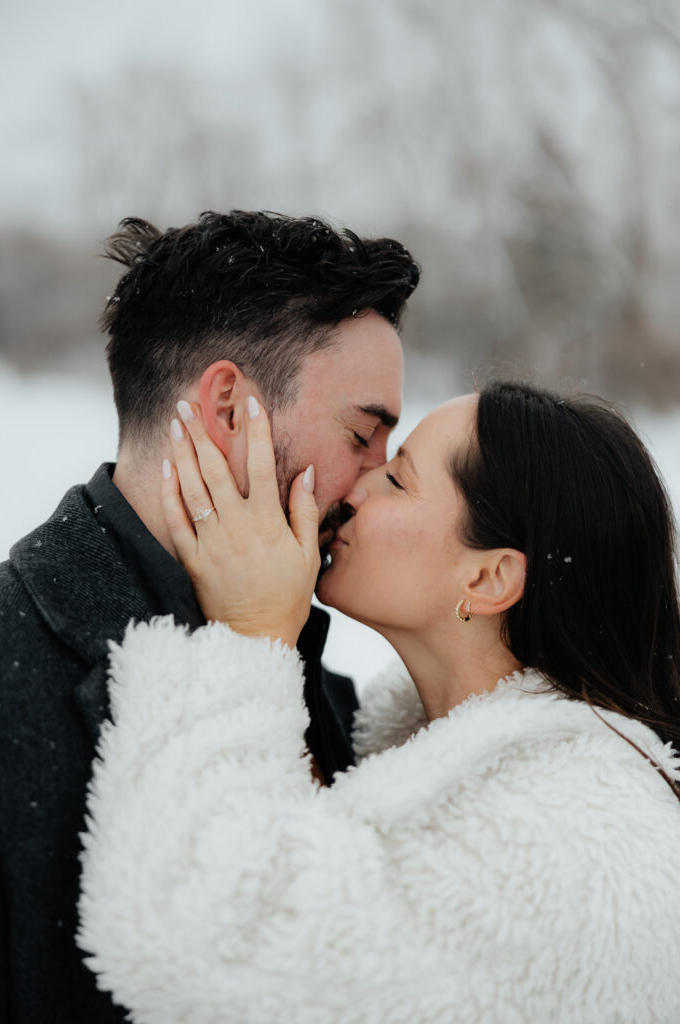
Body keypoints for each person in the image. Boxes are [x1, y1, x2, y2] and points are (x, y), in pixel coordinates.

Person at [77, 382, 680, 1024]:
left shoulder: (575, 837)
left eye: (397, 480)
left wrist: (249, 638)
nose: (356, 488)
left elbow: (208, 950)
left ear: (487, 577)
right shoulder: (468, 773)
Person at [0, 210, 420, 1023]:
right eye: (365, 435)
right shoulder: (14, 662)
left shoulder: (327, 697)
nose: (373, 482)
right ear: (229, 409)